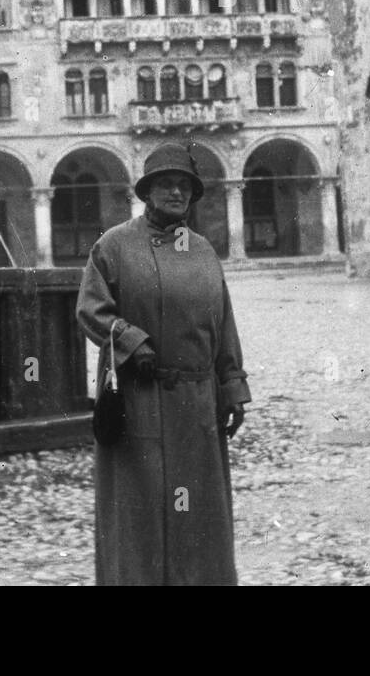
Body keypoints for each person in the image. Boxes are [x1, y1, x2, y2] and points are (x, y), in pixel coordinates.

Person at [76, 142, 250, 586]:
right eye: (165, 184)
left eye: (184, 186)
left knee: (199, 516)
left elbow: (223, 323)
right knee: (140, 516)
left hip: (196, 407)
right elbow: (91, 310)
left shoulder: (205, 252)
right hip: (139, 403)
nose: (176, 193)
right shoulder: (113, 247)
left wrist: (232, 388)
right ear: (147, 191)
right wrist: (132, 342)